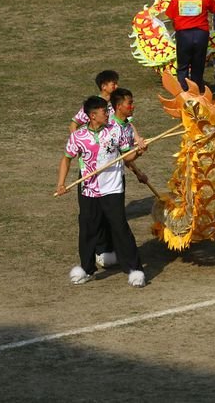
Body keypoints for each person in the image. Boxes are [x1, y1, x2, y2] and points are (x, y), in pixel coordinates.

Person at [55, 96, 148, 288]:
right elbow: (66, 159)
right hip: (88, 190)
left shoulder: (115, 131)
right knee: (88, 229)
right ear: (92, 115)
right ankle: (86, 269)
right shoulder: (77, 137)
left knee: (120, 228)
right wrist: (61, 183)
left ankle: (134, 270)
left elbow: (127, 155)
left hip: (113, 188)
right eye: (104, 111)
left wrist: (139, 151)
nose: (108, 113)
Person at [165, 0, 215, 92]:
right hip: (201, 34)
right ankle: (197, 91)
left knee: (183, 66)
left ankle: (184, 90)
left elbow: (170, 15)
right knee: (198, 64)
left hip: (184, 35)